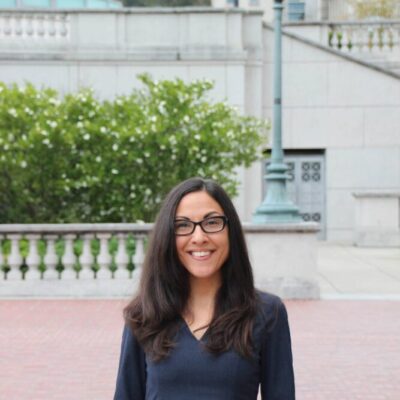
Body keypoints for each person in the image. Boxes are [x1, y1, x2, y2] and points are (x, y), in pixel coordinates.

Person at [114, 177, 295, 400]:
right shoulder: (144, 315)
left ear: (230, 231)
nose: (199, 237)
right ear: (167, 236)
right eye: (183, 225)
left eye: (212, 222)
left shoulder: (267, 313)